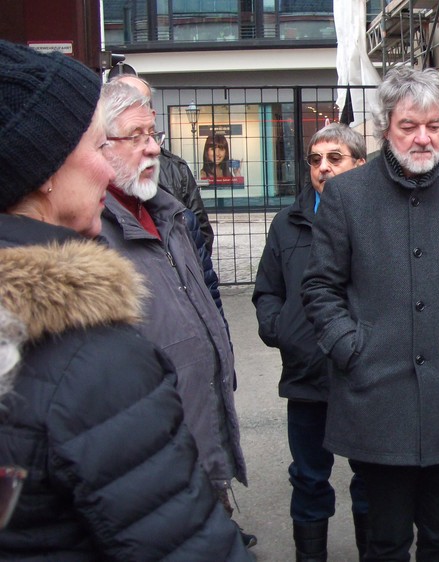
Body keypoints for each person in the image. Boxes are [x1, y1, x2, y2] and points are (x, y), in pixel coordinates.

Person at [0, 39, 251, 560]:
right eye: (98, 147)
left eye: (152, 134)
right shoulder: (91, 358)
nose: (106, 168)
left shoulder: (169, 212)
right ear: (44, 171)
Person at [301, 67, 439, 561]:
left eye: (434, 126)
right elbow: (320, 287)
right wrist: (351, 347)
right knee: (387, 540)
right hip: (377, 396)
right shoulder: (347, 195)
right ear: (385, 127)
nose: (423, 137)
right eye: (409, 126)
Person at [97, 81, 254, 546]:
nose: (152, 148)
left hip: (201, 430)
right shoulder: (91, 233)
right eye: (136, 136)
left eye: (153, 134)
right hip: (153, 461)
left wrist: (221, 355)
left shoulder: (169, 212)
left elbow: (204, 294)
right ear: (99, 147)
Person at [253, 122, 369, 562]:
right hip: (305, 374)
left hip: (364, 375)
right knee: (308, 477)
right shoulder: (288, 223)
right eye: (315, 160)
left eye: (335, 158)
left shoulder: (380, 219)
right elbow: (267, 289)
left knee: (372, 477)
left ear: (359, 164)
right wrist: (279, 328)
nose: (323, 168)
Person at [110, 74, 215, 254]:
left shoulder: (176, 169)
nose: (152, 149)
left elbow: (201, 235)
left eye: (143, 102)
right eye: (125, 101)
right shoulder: (93, 208)